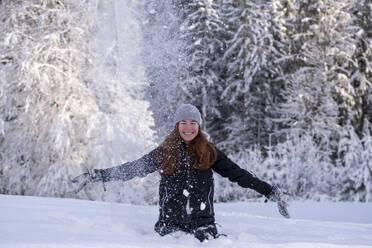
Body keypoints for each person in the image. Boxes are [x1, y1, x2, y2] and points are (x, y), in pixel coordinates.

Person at [72, 103, 290, 242]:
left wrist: (271, 192)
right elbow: (133, 168)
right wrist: (97, 175)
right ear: (177, 126)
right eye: (183, 123)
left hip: (204, 229)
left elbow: (239, 175)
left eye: (193, 123)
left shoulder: (209, 152)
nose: (188, 127)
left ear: (199, 126)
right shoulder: (165, 152)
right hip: (169, 229)